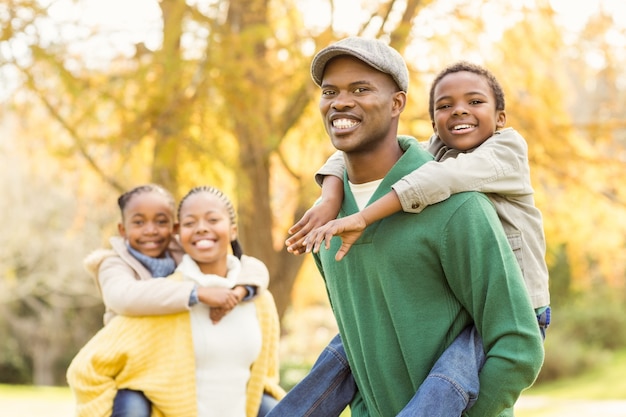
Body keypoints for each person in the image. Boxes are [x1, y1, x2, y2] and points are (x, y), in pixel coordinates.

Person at [270, 37, 543, 417]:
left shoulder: (460, 204)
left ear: (397, 103)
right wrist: (330, 192)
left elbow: (518, 345)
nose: (341, 101)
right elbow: (361, 344)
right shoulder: (326, 223)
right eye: (329, 91)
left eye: (360, 89)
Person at [67, 185, 285, 417]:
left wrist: (239, 292)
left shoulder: (252, 293)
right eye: (191, 223)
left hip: (232, 401)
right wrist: (197, 293)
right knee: (133, 405)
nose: (150, 231)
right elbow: (123, 297)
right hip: (134, 364)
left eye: (161, 222)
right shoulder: (118, 266)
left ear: (173, 231)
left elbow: (252, 267)